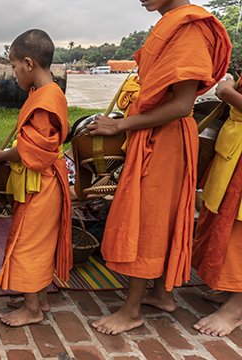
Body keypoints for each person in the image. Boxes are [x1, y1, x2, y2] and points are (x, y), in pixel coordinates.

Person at [87, 0, 231, 335]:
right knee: (162, 214)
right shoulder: (171, 23)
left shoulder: (190, 28)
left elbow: (181, 106)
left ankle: (132, 310)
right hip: (155, 133)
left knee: (147, 219)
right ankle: (162, 296)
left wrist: (121, 126)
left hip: (165, 140)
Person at [0, 29, 72, 327]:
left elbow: (32, 150)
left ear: (28, 63)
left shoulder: (47, 98)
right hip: (41, 180)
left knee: (29, 242)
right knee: (36, 240)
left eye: (13, 67)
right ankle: (39, 298)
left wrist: (1, 156)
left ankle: (33, 309)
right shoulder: (43, 93)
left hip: (43, 182)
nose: (13, 74)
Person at [192, 75, 242, 337]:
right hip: (236, 144)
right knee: (223, 220)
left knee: (238, 231)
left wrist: (225, 90)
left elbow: (227, 94)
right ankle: (231, 289)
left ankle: (237, 309)